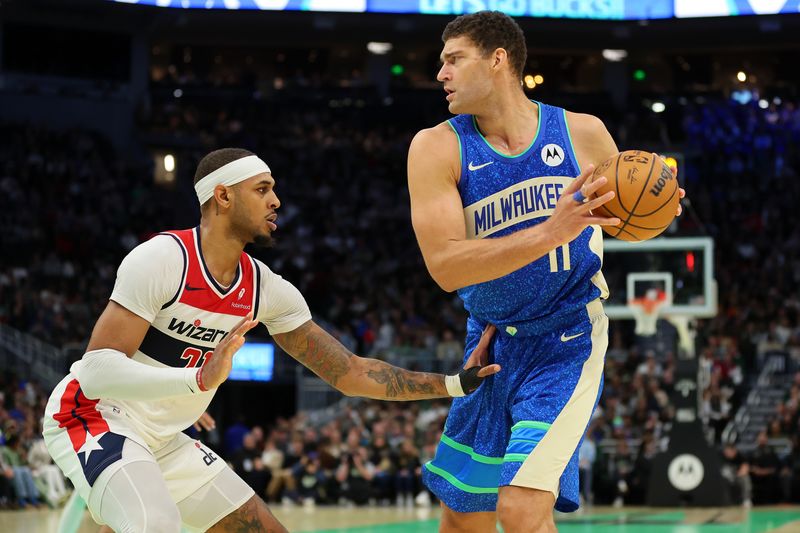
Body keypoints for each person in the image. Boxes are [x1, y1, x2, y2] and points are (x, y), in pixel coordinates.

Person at [43, 147, 500, 533]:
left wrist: (454, 384)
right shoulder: (162, 258)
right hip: (92, 415)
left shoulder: (265, 289)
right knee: (157, 525)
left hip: (161, 435)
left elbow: (349, 373)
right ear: (222, 196)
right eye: (262, 190)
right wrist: (194, 381)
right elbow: (97, 370)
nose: (276, 200)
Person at [406, 11, 684, 532]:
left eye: (453, 59)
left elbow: (626, 220)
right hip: (489, 344)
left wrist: (660, 207)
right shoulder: (436, 146)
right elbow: (444, 267)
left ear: (497, 59)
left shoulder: (582, 132)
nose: (440, 73)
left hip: (567, 339)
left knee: (521, 508)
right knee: (464, 518)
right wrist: (550, 232)